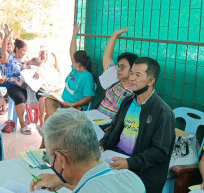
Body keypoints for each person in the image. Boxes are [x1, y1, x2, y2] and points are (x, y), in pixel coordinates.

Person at [99, 57, 175, 193]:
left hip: (141, 173)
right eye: (132, 73)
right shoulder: (128, 101)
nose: (132, 78)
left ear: (151, 81)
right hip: (116, 159)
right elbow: (113, 128)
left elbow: (159, 152)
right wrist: (102, 144)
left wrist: (129, 163)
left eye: (137, 75)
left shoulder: (163, 112)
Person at [30, 108, 145, 193]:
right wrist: (64, 182)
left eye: (49, 159)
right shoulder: (132, 179)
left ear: (61, 159)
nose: (51, 163)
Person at [43, 24, 95, 118]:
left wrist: (72, 104)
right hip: (63, 102)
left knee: (48, 116)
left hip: (75, 107)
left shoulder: (87, 76)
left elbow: (89, 98)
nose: (71, 60)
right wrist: (74, 34)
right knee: (48, 101)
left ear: (78, 63)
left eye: (73, 60)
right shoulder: (75, 69)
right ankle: (54, 126)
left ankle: (55, 127)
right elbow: (72, 52)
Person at [97, 27, 138, 118]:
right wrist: (115, 35)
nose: (119, 69)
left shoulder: (134, 91)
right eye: (118, 66)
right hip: (96, 116)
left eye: (123, 67)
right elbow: (107, 58)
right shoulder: (114, 79)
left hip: (111, 126)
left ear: (132, 70)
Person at [1, 24, 32, 134]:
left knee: (35, 95)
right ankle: (22, 124)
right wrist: (6, 37)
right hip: (13, 86)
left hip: (25, 85)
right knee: (20, 98)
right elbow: (3, 53)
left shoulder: (26, 61)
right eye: (22, 50)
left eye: (25, 51)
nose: (24, 53)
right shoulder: (10, 59)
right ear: (17, 49)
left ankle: (30, 119)